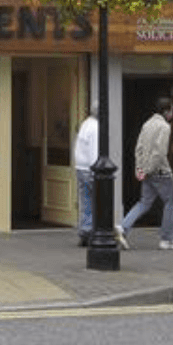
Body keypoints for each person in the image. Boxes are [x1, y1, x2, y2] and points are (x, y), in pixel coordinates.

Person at [116, 98, 173, 250]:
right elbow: (160, 152)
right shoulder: (164, 127)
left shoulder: (147, 124)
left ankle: (123, 227)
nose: (172, 113)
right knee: (170, 203)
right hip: (161, 172)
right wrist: (149, 169)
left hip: (147, 172)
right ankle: (167, 239)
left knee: (144, 202)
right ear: (166, 111)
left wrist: (140, 169)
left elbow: (138, 148)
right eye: (172, 110)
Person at [73, 105, 98, 246]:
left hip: (81, 167)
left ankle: (85, 230)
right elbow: (94, 151)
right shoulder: (95, 127)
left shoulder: (86, 123)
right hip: (90, 169)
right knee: (96, 201)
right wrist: (97, 170)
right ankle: (91, 232)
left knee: (86, 201)